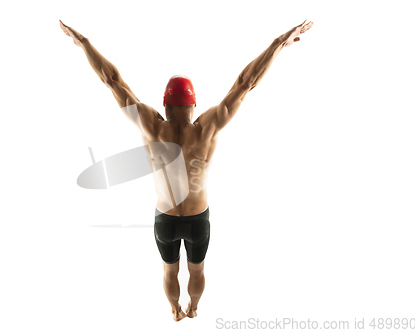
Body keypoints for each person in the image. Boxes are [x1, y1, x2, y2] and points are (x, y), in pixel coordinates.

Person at [60, 19, 314, 321]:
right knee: (198, 269)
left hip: (165, 219)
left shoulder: (151, 126)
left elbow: (112, 80)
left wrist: (85, 42)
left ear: (164, 105)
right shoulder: (207, 128)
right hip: (198, 219)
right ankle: (194, 308)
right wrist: (278, 43)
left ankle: (174, 310)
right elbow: (246, 83)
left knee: (170, 269)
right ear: (194, 106)